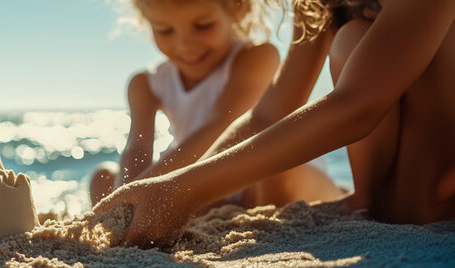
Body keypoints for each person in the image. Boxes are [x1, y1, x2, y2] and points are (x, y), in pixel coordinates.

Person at [94, 0, 455, 248]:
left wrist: (186, 190)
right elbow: (268, 115)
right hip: (387, 202)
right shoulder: (320, 3)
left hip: (437, 192)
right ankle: (375, 202)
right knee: (351, 38)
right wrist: (176, 189)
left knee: (352, 41)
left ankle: (413, 205)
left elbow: (358, 104)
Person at [89, 0, 342, 209]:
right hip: (200, 184)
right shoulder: (145, 84)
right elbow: (138, 145)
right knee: (103, 177)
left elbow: (218, 126)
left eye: (203, 25)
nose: (184, 44)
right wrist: (125, 195)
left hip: (267, 177)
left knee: (273, 170)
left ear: (237, 8)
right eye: (165, 30)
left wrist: (145, 191)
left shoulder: (255, 57)